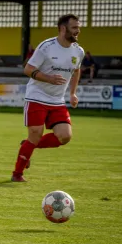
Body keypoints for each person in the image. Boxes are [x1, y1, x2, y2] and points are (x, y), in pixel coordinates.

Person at [12, 14, 84, 182]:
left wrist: (72, 93)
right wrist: (49, 78)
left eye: (78, 28)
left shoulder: (78, 51)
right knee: (36, 134)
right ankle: (17, 174)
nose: (78, 31)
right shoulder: (46, 46)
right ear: (63, 29)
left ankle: (27, 146)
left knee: (65, 136)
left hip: (57, 100)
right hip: (37, 97)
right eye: (74, 28)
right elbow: (28, 70)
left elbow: (77, 70)